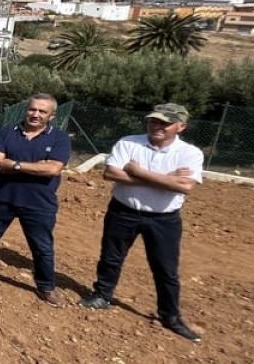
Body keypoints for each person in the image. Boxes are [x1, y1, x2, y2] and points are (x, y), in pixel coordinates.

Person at [78, 103, 204, 342]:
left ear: (181, 127)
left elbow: (184, 186)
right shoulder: (128, 143)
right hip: (123, 211)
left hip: (163, 219)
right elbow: (111, 174)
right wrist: (164, 179)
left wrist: (138, 172)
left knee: (165, 269)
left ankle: (170, 316)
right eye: (154, 121)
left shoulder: (190, 153)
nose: (157, 126)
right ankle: (102, 296)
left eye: (165, 123)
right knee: (111, 257)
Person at [0, 94, 70, 306]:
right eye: (32, 109)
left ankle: (46, 286)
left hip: (39, 203)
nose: (35, 114)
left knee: (42, 246)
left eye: (42, 111)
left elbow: (53, 169)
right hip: (3, 196)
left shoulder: (60, 138)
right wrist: (35, 166)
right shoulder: (7, 132)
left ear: (51, 116)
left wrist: (15, 165)